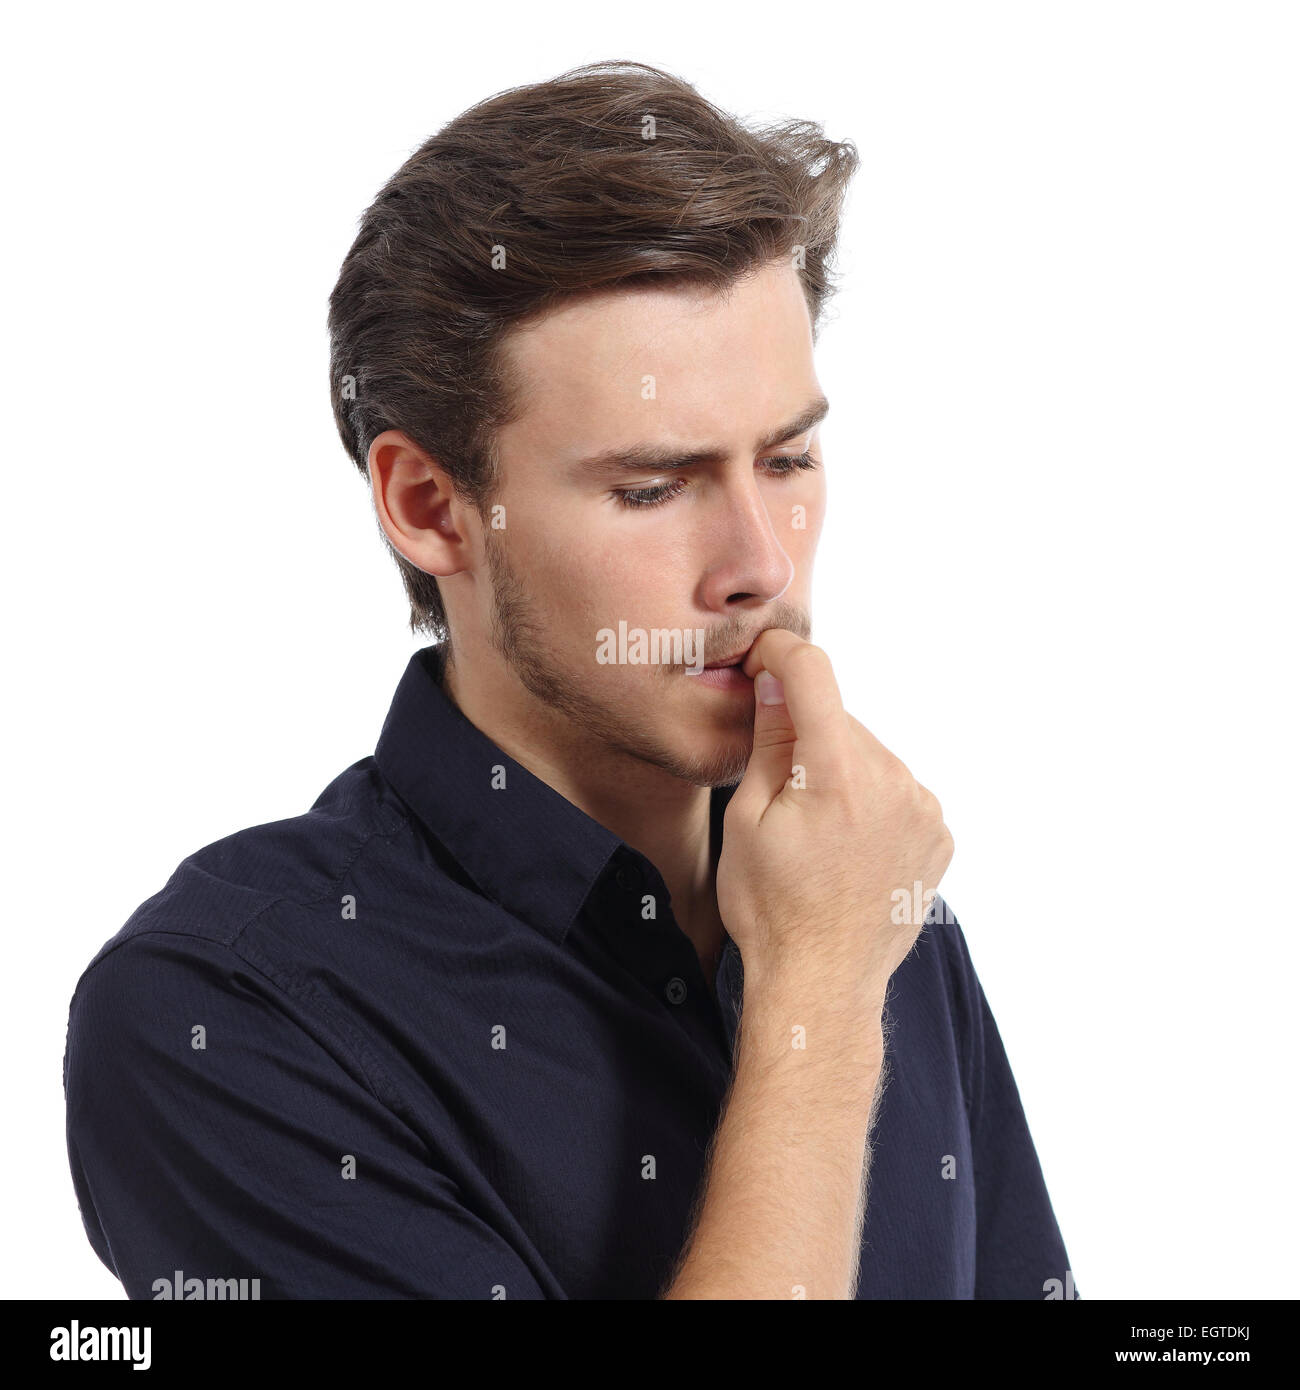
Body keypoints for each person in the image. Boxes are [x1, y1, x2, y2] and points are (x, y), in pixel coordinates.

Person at [64, 59, 1073, 1300]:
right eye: (652, 488)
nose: (760, 565)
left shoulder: (867, 889)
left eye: (790, 457)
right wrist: (815, 987)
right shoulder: (219, 1014)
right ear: (431, 506)